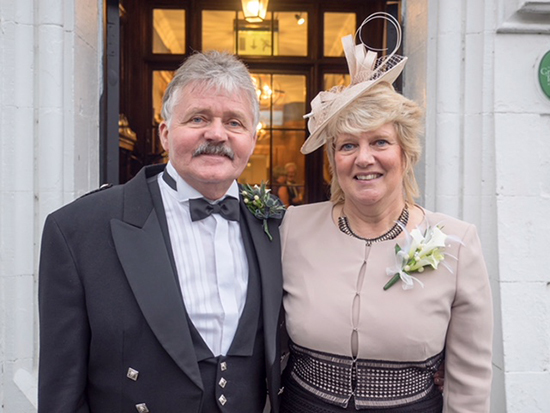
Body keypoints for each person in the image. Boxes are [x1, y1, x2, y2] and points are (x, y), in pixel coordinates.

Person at [38, 51, 284, 413]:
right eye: (198, 118)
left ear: (252, 139)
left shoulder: (275, 225)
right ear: (166, 133)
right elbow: (61, 390)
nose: (216, 133)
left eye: (234, 122)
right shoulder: (77, 230)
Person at [279, 13, 493, 413]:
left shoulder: (458, 243)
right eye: (346, 146)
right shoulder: (293, 227)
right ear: (333, 160)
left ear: (406, 154)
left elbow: (470, 381)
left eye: (379, 142)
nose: (363, 159)